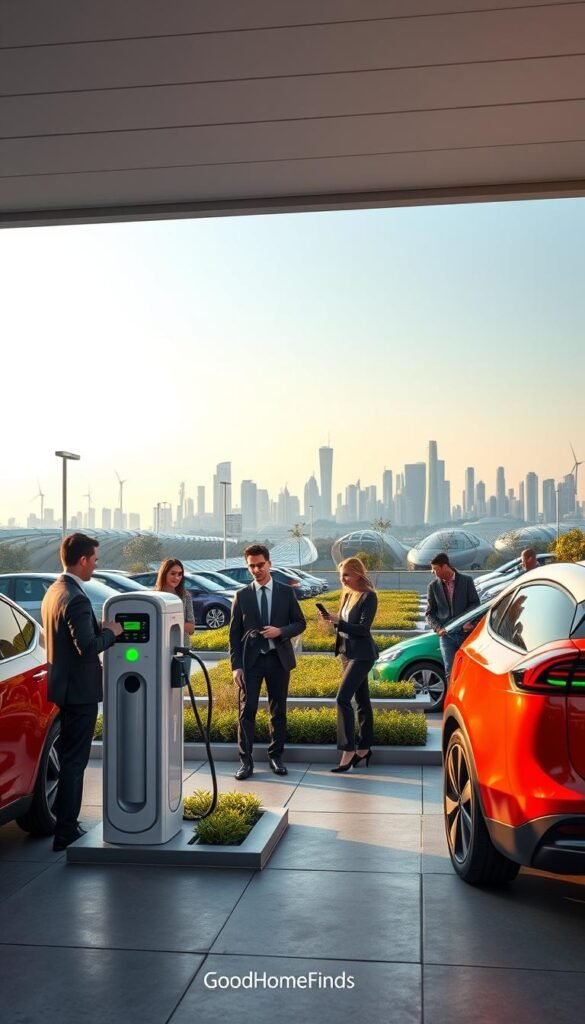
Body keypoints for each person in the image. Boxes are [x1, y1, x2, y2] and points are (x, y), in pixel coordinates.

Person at [41, 532, 123, 851]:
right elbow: (87, 647)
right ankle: (66, 831)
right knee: (75, 762)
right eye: (95, 560)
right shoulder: (75, 597)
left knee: (67, 759)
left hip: (63, 688)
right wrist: (111, 634)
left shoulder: (54, 591)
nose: (95, 567)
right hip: (80, 692)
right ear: (84, 559)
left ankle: (62, 822)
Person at [229, 544, 306, 779]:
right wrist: (236, 667)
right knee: (246, 711)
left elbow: (300, 623)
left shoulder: (285, 592)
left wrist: (280, 631)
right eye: (251, 566)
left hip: (278, 660)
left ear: (269, 564)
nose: (256, 569)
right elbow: (233, 635)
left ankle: (276, 756)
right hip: (250, 663)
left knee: (278, 710)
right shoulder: (242, 595)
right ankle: (246, 762)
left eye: (260, 565)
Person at [318, 557, 378, 772]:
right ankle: (364, 748)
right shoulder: (348, 594)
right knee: (362, 701)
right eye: (341, 575)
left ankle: (349, 749)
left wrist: (339, 622)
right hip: (347, 653)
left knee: (342, 699)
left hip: (362, 655)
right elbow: (345, 627)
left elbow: (363, 629)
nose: (343, 579)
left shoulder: (368, 597)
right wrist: (332, 621)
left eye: (346, 575)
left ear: (358, 574)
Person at [425, 552, 480, 683]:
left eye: (434, 568)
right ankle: (452, 701)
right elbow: (429, 613)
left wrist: (470, 622)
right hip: (446, 637)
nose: (432, 572)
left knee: (468, 671)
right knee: (450, 672)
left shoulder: (466, 581)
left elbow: (475, 604)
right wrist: (438, 628)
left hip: (465, 634)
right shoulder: (433, 587)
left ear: (444, 566)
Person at [154, 558, 196, 644]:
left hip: (181, 648)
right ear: (164, 574)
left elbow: (191, 628)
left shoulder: (185, 596)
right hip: (159, 646)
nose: (176, 578)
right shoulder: (154, 597)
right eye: (173, 573)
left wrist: (169, 623)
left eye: (180, 574)